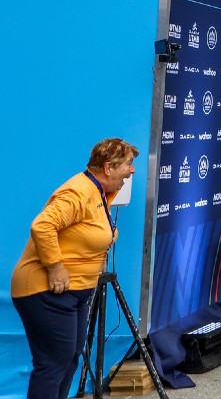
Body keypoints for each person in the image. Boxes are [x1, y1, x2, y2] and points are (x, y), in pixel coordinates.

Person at [10, 138, 138, 399]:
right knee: (53, 363)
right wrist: (55, 266)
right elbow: (42, 226)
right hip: (46, 289)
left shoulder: (99, 193)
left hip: (75, 293)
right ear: (108, 168)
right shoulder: (78, 192)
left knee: (68, 360)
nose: (132, 170)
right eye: (128, 164)